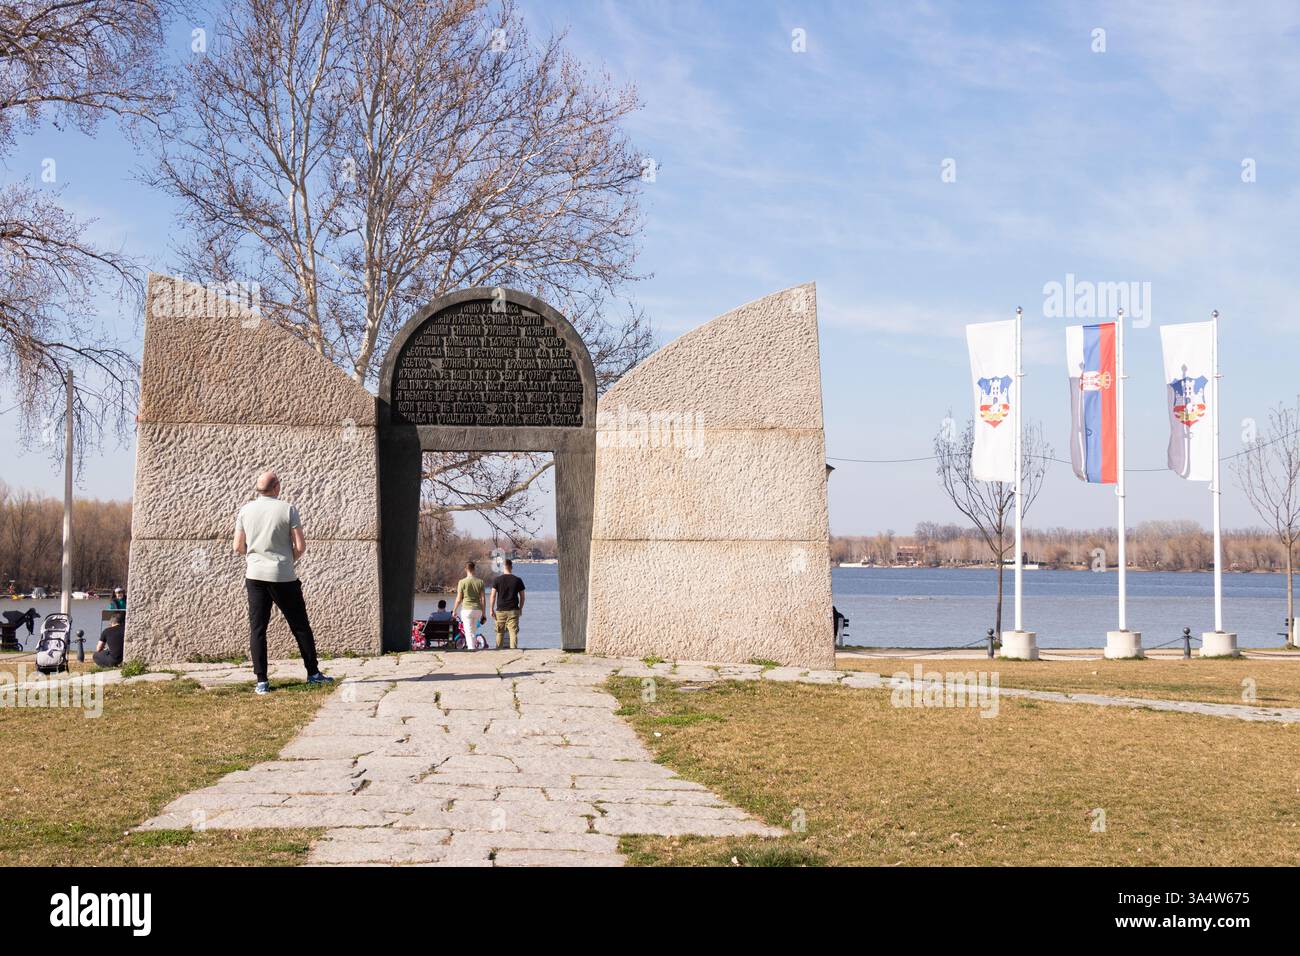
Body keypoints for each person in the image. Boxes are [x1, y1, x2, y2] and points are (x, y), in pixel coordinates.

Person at [233, 471, 333, 694]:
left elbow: (238, 547)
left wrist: (254, 557)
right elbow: (300, 546)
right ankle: (313, 673)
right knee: (299, 625)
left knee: (258, 628)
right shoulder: (287, 509)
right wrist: (288, 560)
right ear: (276, 487)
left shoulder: (246, 510)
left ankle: (262, 681)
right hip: (283, 576)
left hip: (255, 576)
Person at [489, 559, 526, 650]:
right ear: (511, 567)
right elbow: (522, 596)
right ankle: (514, 651)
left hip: (500, 610)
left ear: (502, 567)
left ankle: (498, 650)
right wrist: (520, 608)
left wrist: (491, 609)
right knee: (513, 632)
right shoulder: (517, 580)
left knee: (499, 632)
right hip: (513, 610)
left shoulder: (497, 580)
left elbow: (493, 596)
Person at [450, 561, 486, 651]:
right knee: (473, 631)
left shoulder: (462, 582)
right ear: (474, 569)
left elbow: (459, 599)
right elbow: (483, 599)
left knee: (468, 631)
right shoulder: (480, 582)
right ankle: (473, 647)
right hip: (477, 610)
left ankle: (471, 649)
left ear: (466, 569)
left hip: (466, 609)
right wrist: (484, 613)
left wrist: (454, 610)